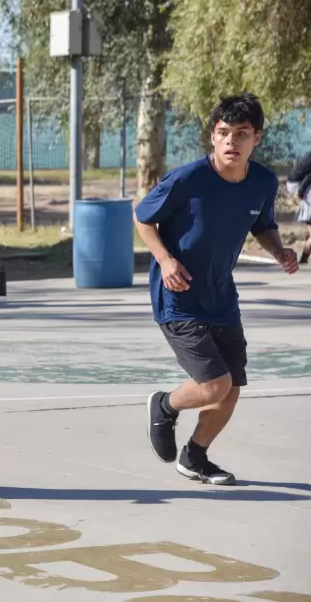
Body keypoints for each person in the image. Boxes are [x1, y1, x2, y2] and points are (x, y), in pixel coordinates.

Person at [135, 93, 297, 486]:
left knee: (231, 390)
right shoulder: (188, 178)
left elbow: (262, 224)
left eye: (241, 134)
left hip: (222, 298)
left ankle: (195, 457)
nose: (231, 142)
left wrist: (279, 251)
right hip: (179, 297)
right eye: (224, 132)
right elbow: (142, 217)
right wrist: (165, 260)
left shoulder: (262, 181)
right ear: (212, 136)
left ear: (256, 138)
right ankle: (165, 404)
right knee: (214, 385)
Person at [285, 148, 311, 263]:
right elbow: (309, 177)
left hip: (300, 184)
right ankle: (304, 257)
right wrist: (300, 193)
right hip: (297, 184)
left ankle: (305, 256)